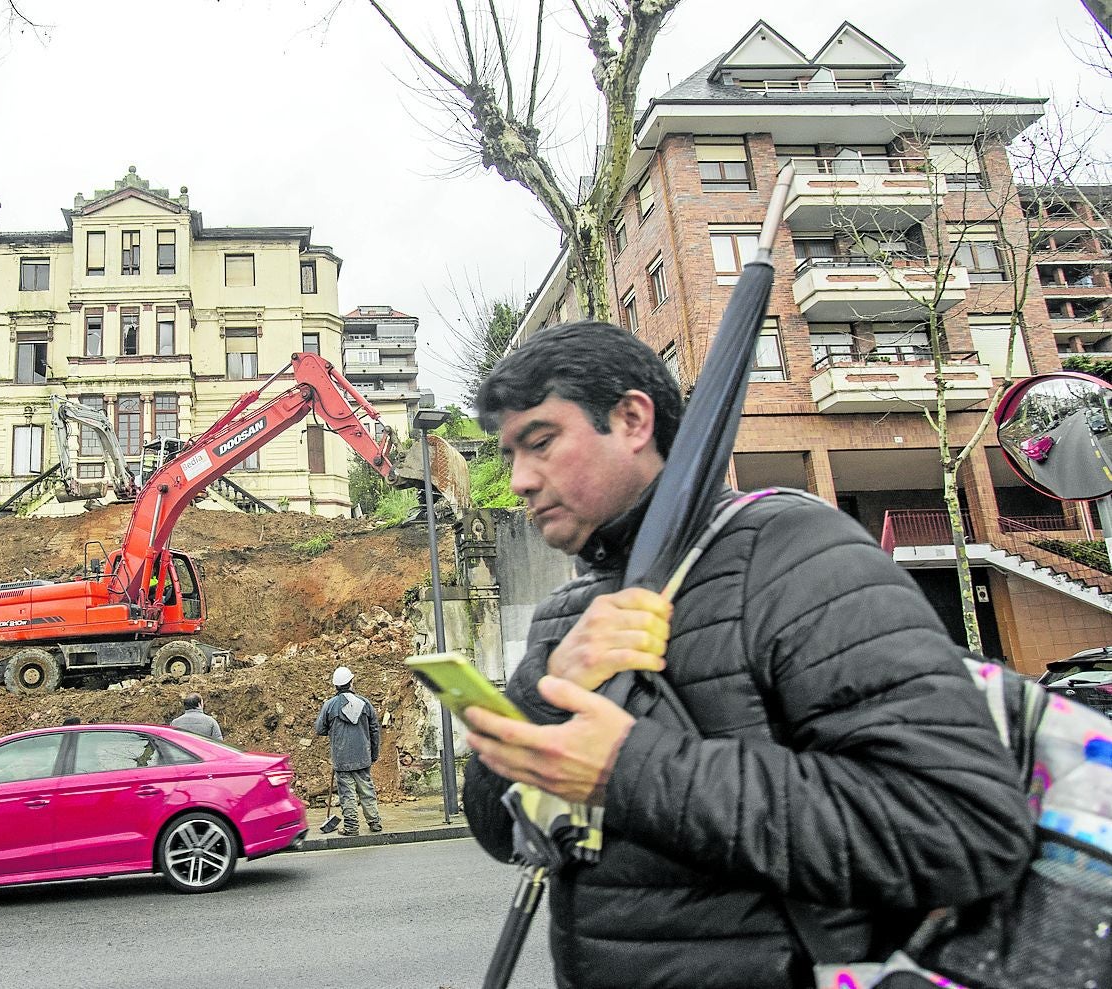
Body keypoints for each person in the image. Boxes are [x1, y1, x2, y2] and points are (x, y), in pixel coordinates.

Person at [461, 320, 1031, 989]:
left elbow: (962, 826)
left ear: (632, 418)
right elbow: (498, 829)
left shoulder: (797, 554)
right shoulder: (567, 612)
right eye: (511, 455)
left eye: (541, 442)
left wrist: (630, 768)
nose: (521, 479)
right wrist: (538, 694)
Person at [314, 666, 382, 836]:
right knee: (367, 790)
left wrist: (333, 727)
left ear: (336, 686)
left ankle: (351, 827)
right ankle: (374, 822)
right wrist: (373, 754)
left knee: (347, 794)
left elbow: (320, 729)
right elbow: (374, 730)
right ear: (351, 683)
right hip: (362, 756)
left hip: (342, 758)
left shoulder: (329, 706)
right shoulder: (365, 704)